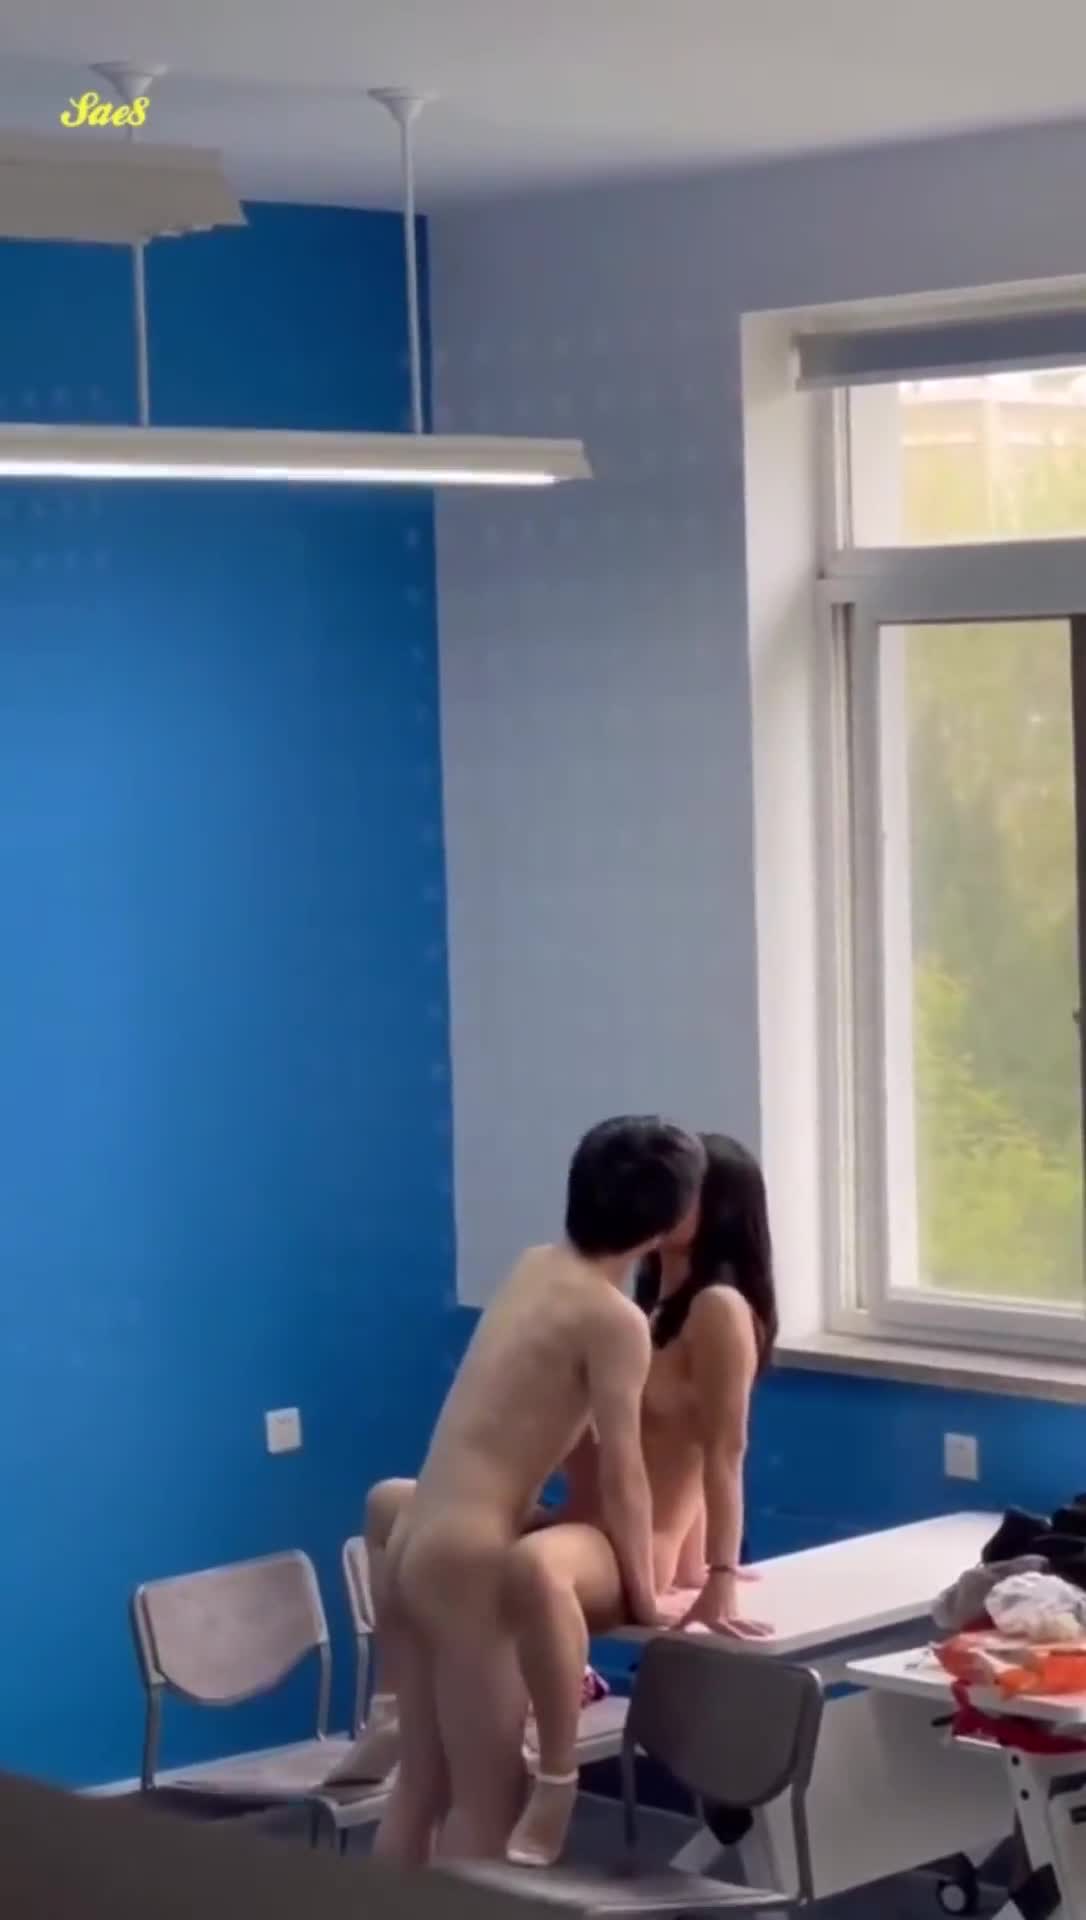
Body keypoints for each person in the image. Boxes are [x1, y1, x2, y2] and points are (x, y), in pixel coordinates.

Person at [338, 1134, 778, 1868]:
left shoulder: (561, 1275)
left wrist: (711, 1573)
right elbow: (620, 1464)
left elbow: (710, 1456)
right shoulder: (623, 1312)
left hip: (520, 1541)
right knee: (471, 1798)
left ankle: (538, 1770)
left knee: (436, 1783)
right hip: (521, 1546)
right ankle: (429, 1729)